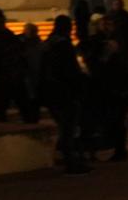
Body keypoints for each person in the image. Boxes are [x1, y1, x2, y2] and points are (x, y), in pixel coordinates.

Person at [39, 15, 91, 173]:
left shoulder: (47, 44)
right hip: (65, 92)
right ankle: (71, 162)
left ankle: (68, 159)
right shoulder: (64, 45)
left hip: (51, 92)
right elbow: (71, 70)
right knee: (69, 128)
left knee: (65, 127)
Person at [87, 13, 128, 161]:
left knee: (117, 121)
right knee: (111, 121)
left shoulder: (119, 42)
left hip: (117, 89)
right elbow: (95, 64)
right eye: (104, 24)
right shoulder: (98, 42)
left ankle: (119, 150)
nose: (107, 27)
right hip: (107, 88)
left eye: (109, 25)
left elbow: (125, 67)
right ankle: (113, 148)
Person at [18, 21, 44, 122]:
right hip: (31, 74)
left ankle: (30, 117)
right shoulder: (39, 44)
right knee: (32, 98)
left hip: (31, 75)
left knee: (31, 98)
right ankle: (32, 117)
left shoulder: (21, 43)